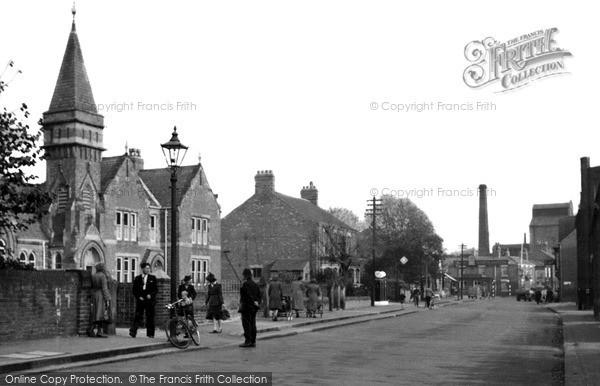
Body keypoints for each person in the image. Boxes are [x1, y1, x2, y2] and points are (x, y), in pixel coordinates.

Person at [130, 262, 158, 338]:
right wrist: (139, 297)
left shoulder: (153, 278)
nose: (148, 270)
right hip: (141, 299)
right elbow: (134, 290)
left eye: (149, 268)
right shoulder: (137, 278)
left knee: (150, 316)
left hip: (149, 300)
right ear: (142, 269)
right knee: (138, 315)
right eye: (146, 268)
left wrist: (151, 295)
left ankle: (150, 334)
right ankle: (133, 331)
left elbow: (155, 289)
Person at [239, 268, 261, 348]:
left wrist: (251, 301)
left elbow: (246, 296)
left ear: (245, 275)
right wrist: (257, 302)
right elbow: (259, 295)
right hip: (254, 307)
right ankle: (253, 341)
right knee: (253, 324)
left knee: (246, 324)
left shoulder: (245, 284)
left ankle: (248, 341)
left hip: (247, 307)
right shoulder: (256, 284)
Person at [88, 263, 111, 338]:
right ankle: (98, 331)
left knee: (95, 313)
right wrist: (107, 298)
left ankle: (92, 330)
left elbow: (91, 286)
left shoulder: (93, 275)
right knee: (100, 314)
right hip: (101, 295)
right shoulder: (102, 276)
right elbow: (104, 288)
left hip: (94, 294)